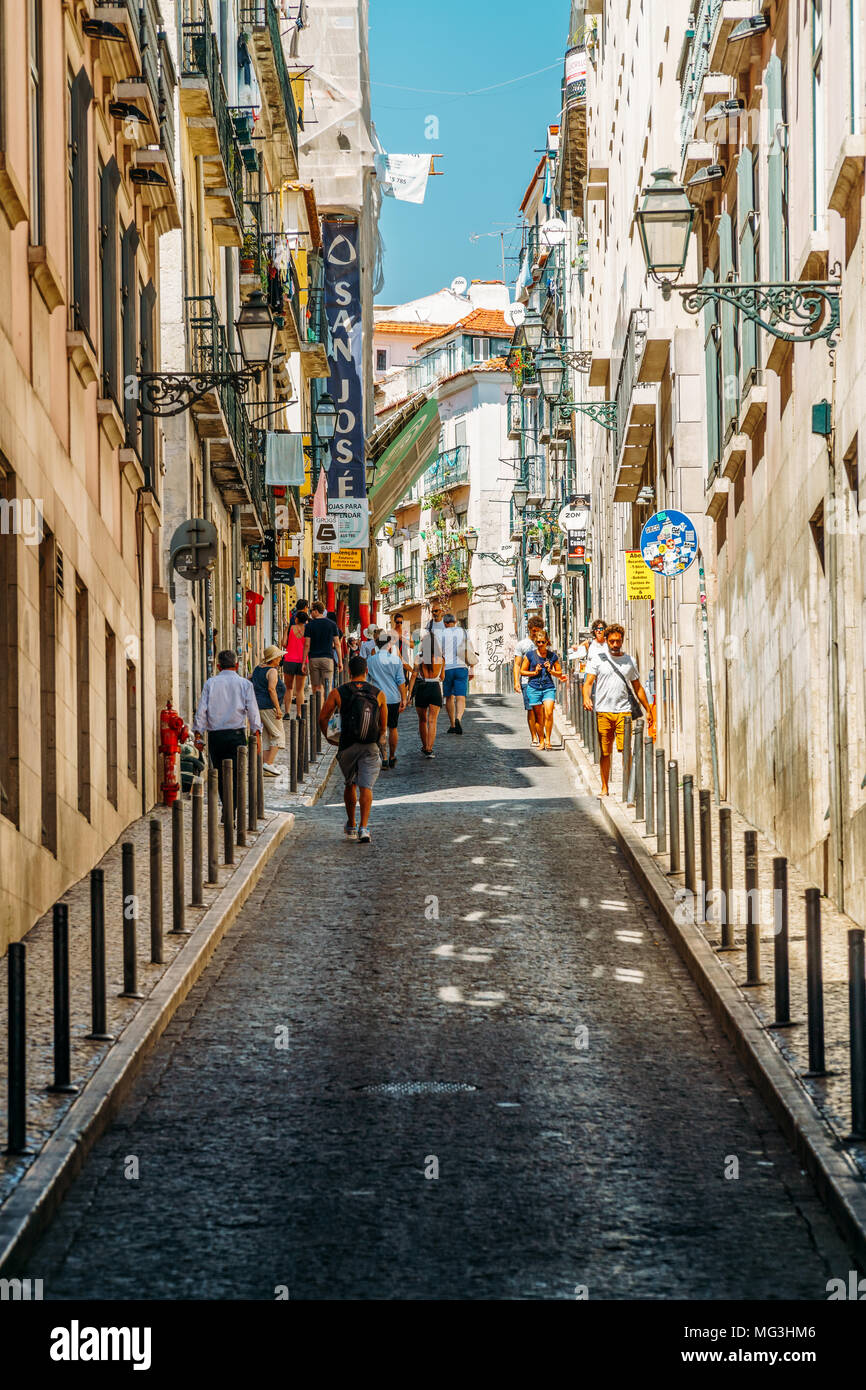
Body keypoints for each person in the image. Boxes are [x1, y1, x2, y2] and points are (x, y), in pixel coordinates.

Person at [319, 654, 388, 843]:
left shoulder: (338, 692)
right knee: (366, 787)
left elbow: (323, 718)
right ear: (366, 672)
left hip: (347, 745)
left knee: (350, 783)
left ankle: (351, 824)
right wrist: (382, 746)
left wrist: (331, 739)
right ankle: (364, 828)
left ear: (349, 672)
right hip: (370, 745)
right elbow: (383, 727)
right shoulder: (378, 693)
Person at [582, 623, 654, 796]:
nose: (615, 644)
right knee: (605, 752)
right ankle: (604, 786)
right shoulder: (598, 659)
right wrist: (586, 697)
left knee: (625, 750)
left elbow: (638, 688)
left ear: (622, 641)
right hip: (603, 711)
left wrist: (648, 709)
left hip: (624, 712)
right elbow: (588, 682)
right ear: (606, 640)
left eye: (618, 641)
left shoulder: (630, 661)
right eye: (612, 641)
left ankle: (628, 787)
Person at [193, 650, 262, 810]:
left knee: (219, 774)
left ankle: (226, 806)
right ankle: (233, 810)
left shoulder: (211, 683)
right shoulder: (245, 684)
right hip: (236, 735)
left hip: (216, 737)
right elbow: (253, 712)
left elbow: (202, 711)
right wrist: (256, 735)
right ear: (237, 665)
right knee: (237, 774)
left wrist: (198, 735)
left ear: (218, 666)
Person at [520, 630, 567, 750]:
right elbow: (522, 671)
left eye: (543, 642)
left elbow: (559, 673)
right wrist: (534, 672)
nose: (541, 644)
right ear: (536, 642)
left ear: (547, 642)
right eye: (538, 642)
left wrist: (550, 670)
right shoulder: (530, 655)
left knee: (549, 712)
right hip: (534, 688)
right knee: (538, 716)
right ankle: (541, 740)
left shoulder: (552, 656)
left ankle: (548, 740)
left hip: (548, 687)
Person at [366, 632, 408, 768]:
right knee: (393, 728)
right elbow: (401, 681)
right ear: (389, 645)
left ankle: (383, 756)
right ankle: (392, 756)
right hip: (393, 699)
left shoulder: (370, 660)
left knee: (380, 728)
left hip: (376, 699)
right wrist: (404, 699)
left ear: (377, 645)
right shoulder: (396, 660)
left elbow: (368, 681)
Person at [412, 617, 446, 758]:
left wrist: (408, 696)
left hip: (422, 688)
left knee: (422, 720)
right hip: (434, 689)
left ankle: (424, 745)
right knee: (433, 720)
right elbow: (442, 677)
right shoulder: (441, 659)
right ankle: (430, 748)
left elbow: (413, 677)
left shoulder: (419, 657)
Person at [251, 644, 285, 776]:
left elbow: (250, 678)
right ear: (274, 658)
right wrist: (277, 708)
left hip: (257, 706)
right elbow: (271, 689)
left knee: (266, 736)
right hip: (268, 706)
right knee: (278, 735)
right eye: (279, 657)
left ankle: (265, 766)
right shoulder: (272, 671)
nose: (280, 659)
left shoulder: (258, 668)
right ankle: (269, 763)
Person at [513, 613, 546, 746]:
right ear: (529, 629)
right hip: (527, 682)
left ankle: (541, 733)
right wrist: (516, 682)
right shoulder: (522, 645)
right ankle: (534, 737)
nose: (536, 634)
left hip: (544, 681)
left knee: (543, 709)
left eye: (538, 631)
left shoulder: (544, 642)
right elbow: (517, 664)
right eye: (534, 631)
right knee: (531, 709)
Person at [442, 613, 476, 735]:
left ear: (445, 623)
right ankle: (458, 719)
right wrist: (472, 668)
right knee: (461, 696)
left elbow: (439, 653)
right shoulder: (463, 632)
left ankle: (452, 724)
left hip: (447, 669)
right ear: (455, 622)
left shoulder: (441, 634)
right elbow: (470, 649)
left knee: (449, 697)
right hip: (462, 667)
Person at [305, 601, 341, 698]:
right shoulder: (332, 624)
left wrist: (304, 661)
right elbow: (337, 644)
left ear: (316, 611)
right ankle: (327, 711)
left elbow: (307, 645)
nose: (310, 613)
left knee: (315, 687)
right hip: (327, 659)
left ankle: (318, 710)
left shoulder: (309, 625)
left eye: (311, 611)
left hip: (314, 659)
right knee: (327, 687)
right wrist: (340, 662)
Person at [283, 608, 310, 718]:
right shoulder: (308, 630)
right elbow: (308, 645)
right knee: (300, 690)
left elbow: (284, 644)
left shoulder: (290, 628)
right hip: (303, 661)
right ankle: (299, 714)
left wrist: (286, 629)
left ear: (297, 619)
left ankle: (287, 712)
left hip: (289, 660)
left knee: (289, 688)